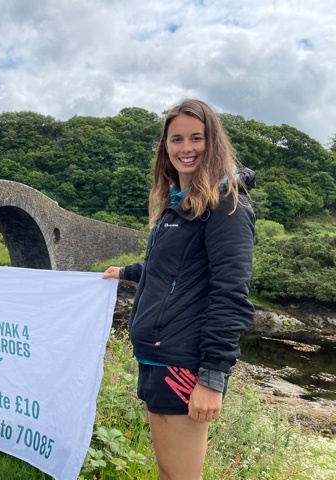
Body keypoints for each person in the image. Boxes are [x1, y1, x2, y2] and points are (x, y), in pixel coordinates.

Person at [102, 99, 255, 480]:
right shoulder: (180, 203)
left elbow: (230, 293)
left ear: (213, 143)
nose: (186, 148)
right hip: (157, 355)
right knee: (170, 473)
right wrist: (127, 271)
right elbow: (173, 268)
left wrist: (212, 377)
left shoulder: (226, 207)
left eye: (196, 138)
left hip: (181, 363)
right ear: (165, 148)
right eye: (176, 139)